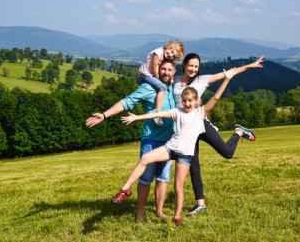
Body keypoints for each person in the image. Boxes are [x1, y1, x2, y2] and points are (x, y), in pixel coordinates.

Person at [110, 68, 238, 226]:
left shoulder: (200, 113)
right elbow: (155, 114)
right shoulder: (177, 111)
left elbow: (216, 97)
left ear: (196, 101)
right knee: (145, 158)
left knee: (178, 187)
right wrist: (137, 117)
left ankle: (177, 216)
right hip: (170, 148)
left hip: (185, 155)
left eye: (190, 101)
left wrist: (227, 78)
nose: (187, 104)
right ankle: (125, 189)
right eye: (184, 101)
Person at [173, 53, 265, 216]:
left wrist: (250, 66)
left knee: (227, 153)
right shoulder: (175, 79)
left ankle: (238, 132)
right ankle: (200, 204)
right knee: (194, 166)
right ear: (184, 65)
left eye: (196, 66)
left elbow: (230, 73)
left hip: (201, 124)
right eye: (191, 65)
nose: (193, 69)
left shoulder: (202, 80)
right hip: (185, 130)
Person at [85, 60, 177, 222]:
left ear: (174, 71)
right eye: (163, 69)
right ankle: (140, 214)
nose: (166, 72)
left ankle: (160, 211)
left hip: (169, 141)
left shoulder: (175, 88)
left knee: (163, 178)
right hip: (151, 140)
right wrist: (105, 115)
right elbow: (126, 102)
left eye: (169, 69)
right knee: (146, 179)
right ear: (157, 70)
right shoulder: (149, 88)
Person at [139, 40, 185, 126]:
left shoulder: (165, 54)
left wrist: (170, 79)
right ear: (168, 46)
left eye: (173, 56)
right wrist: (160, 80)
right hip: (146, 75)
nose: (170, 55)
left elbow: (171, 63)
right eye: (171, 51)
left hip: (150, 76)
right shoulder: (158, 53)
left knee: (167, 84)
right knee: (162, 87)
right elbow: (154, 69)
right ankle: (157, 112)